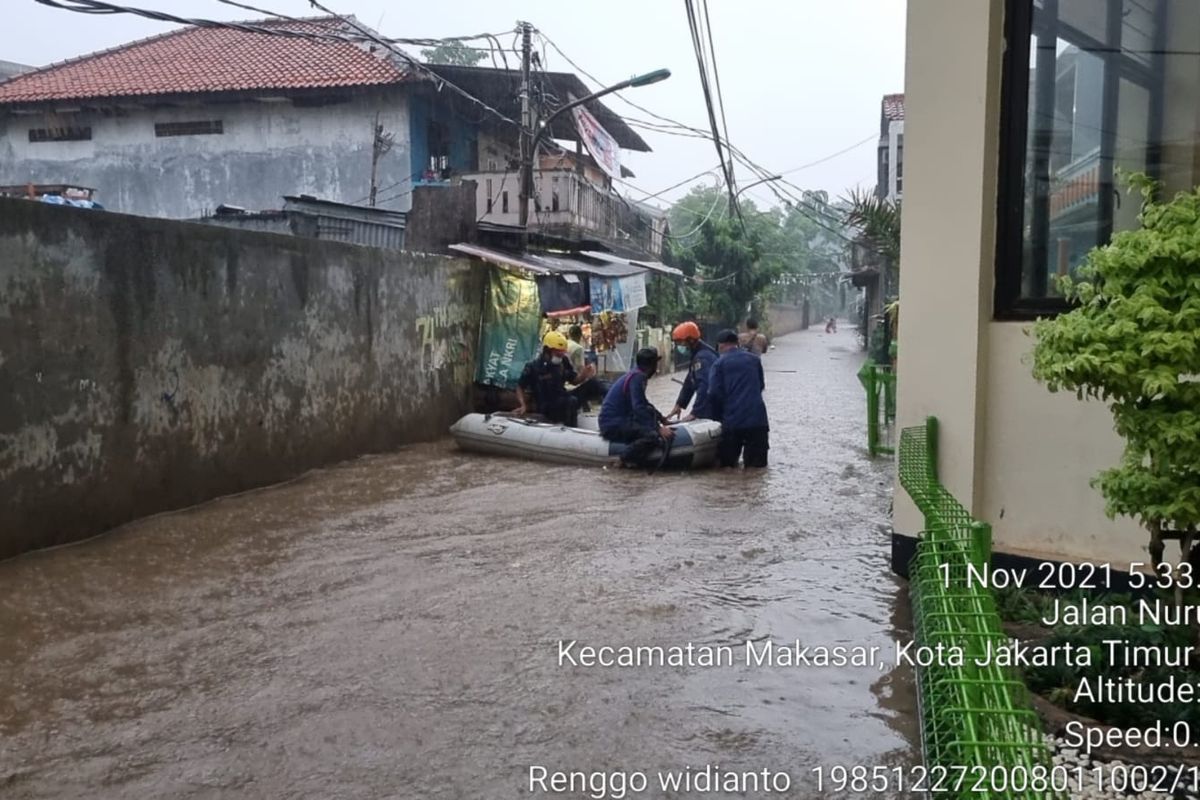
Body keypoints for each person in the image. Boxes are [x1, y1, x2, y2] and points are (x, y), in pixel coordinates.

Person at [599, 348, 674, 468]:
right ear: (651, 365)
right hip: (613, 424)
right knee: (652, 436)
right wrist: (658, 429)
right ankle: (622, 460)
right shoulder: (637, 377)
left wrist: (661, 418)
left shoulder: (636, 374)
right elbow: (638, 408)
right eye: (655, 364)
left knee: (648, 423)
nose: (656, 369)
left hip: (618, 420)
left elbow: (644, 404)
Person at [709, 329, 769, 468]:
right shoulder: (754, 360)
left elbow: (713, 393)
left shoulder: (719, 364)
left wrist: (718, 417)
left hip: (732, 421)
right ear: (737, 343)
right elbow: (760, 386)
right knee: (756, 471)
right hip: (757, 420)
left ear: (720, 346)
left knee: (727, 468)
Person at [515, 331, 592, 427]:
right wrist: (523, 405)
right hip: (546, 405)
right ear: (547, 350)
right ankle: (570, 428)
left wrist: (584, 374)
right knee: (571, 401)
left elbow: (574, 380)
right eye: (557, 354)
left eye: (562, 353)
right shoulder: (533, 366)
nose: (560, 356)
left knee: (593, 385)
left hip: (563, 397)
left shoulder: (563, 362)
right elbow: (520, 386)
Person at [667, 320, 718, 421]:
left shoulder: (703, 358)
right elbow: (690, 382)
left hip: (714, 410)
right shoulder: (698, 355)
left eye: (680, 342)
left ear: (691, 340)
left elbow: (704, 387)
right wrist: (679, 404)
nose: (678, 346)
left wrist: (695, 413)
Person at [565, 323, 607, 411]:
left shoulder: (565, 344)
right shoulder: (578, 348)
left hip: (568, 384)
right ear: (580, 336)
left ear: (569, 334)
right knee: (595, 385)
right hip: (573, 384)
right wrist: (587, 373)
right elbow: (580, 368)